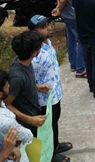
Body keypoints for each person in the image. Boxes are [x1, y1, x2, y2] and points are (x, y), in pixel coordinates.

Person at [28, 16, 73, 160]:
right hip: (43, 100)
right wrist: (36, 86)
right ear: (34, 31)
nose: (49, 28)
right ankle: (51, 155)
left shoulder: (47, 42)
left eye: (48, 24)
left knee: (55, 121)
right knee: (46, 127)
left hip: (55, 94)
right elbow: (26, 79)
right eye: (43, 27)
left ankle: (56, 144)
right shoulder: (33, 54)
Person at [5, 31, 45, 134]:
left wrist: (36, 86)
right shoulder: (17, 77)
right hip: (28, 124)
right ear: (34, 53)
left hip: (35, 113)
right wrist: (30, 120)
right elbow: (7, 104)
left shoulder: (21, 60)